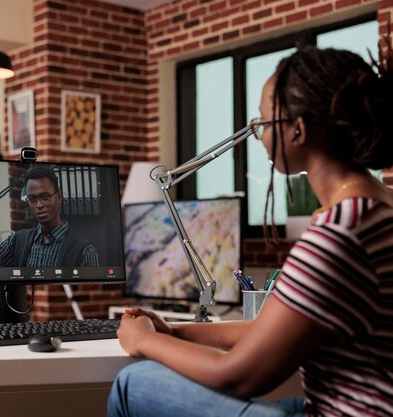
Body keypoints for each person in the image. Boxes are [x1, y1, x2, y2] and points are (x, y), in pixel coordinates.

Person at [108, 43, 393, 417]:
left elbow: (240, 376)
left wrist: (145, 342)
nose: (258, 136)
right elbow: (271, 329)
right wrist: (175, 332)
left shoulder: (340, 232)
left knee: (133, 382)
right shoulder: (379, 207)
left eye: (262, 123)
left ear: (297, 130)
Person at [0, 166, 99, 267]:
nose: (39, 205)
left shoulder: (84, 251)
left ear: (59, 197)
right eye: (32, 199)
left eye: (45, 197)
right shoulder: (17, 241)